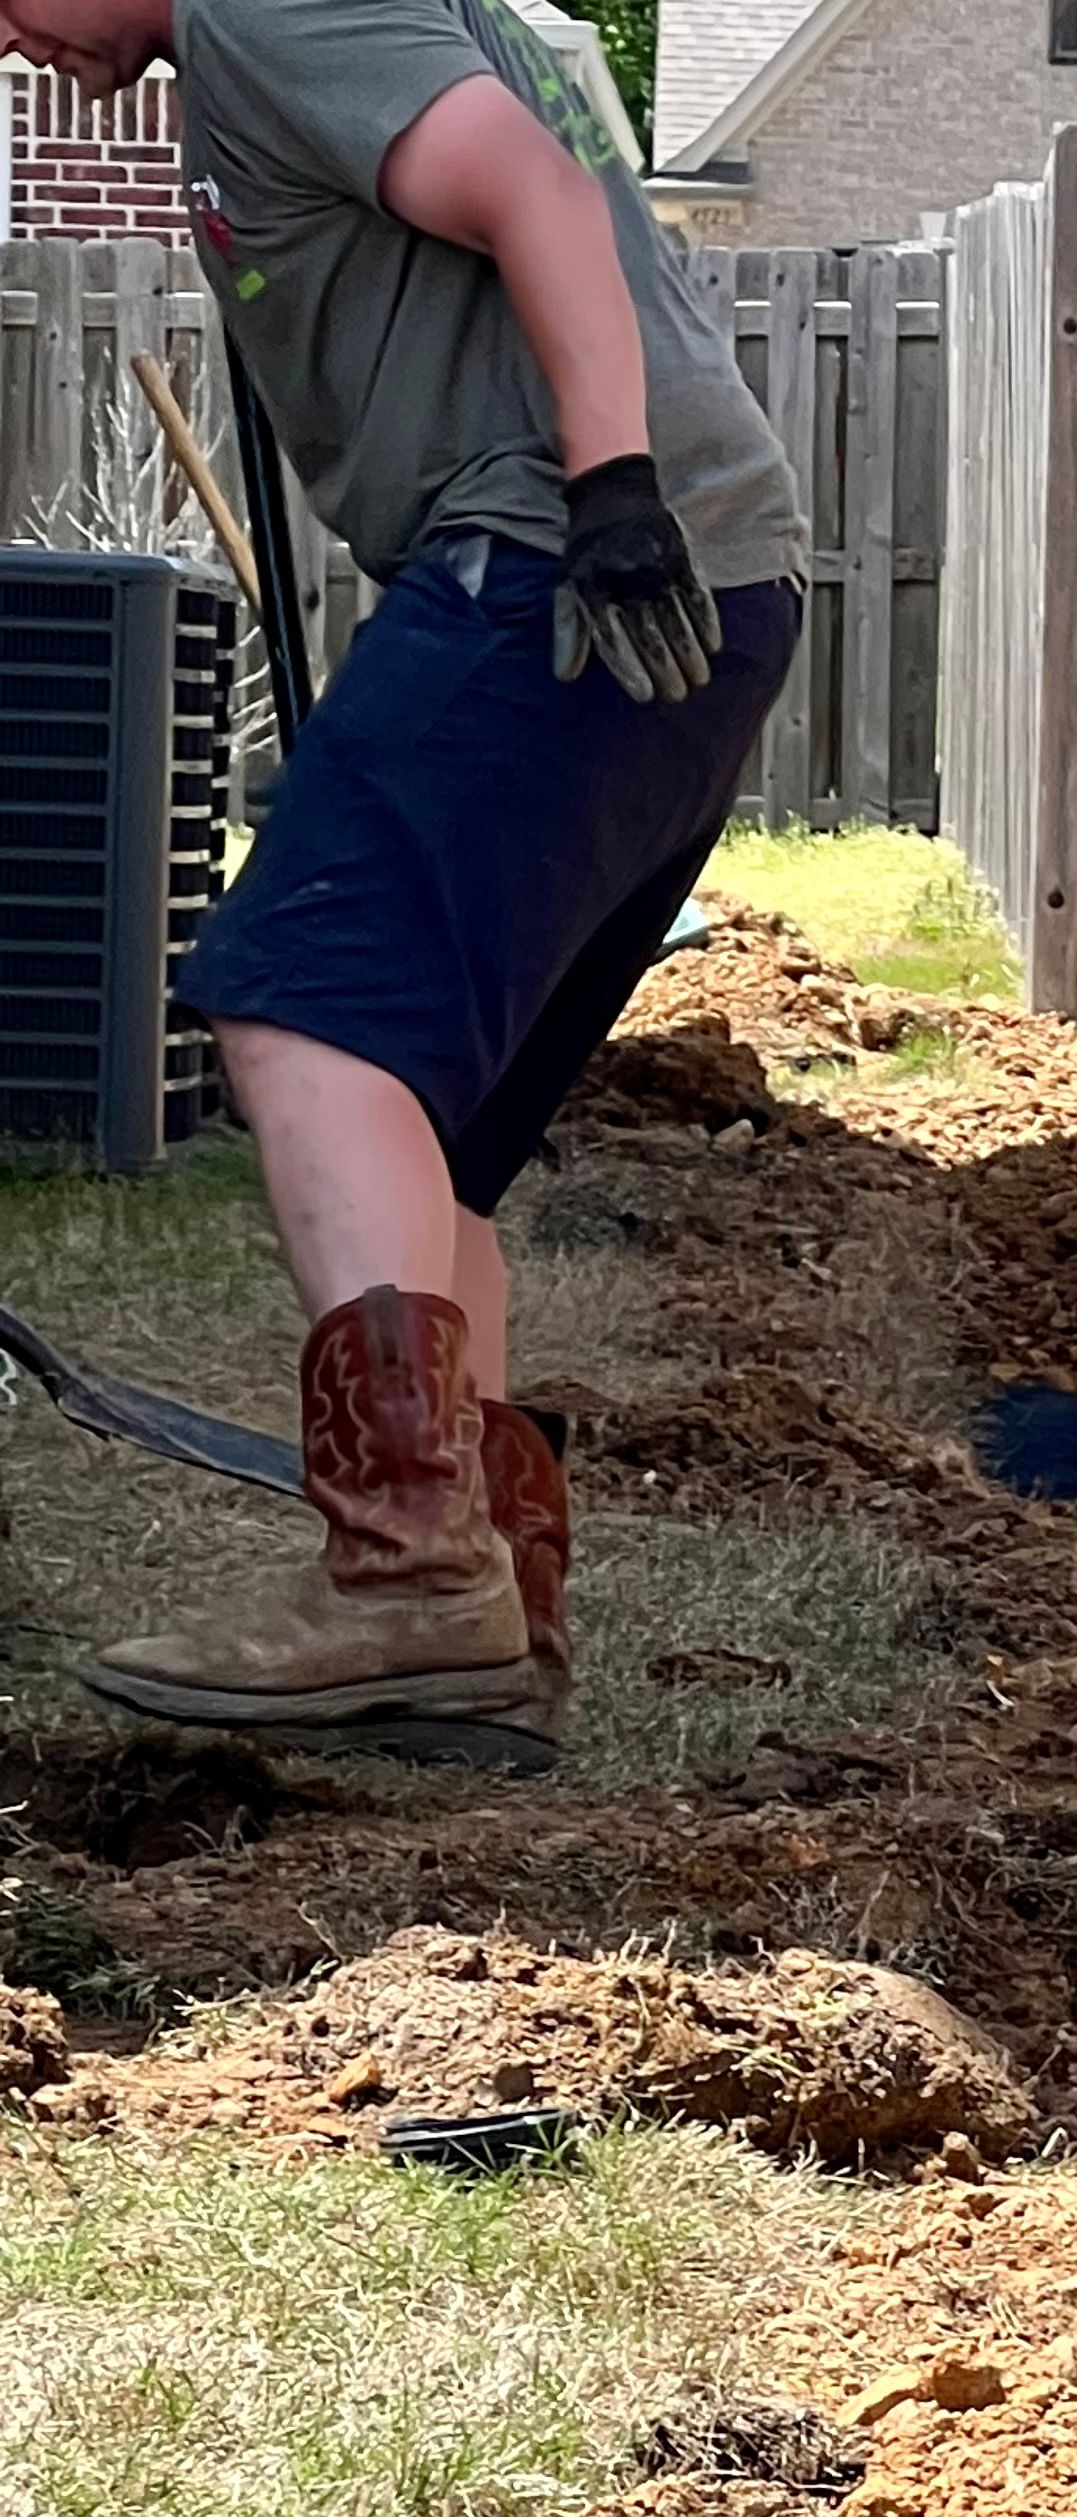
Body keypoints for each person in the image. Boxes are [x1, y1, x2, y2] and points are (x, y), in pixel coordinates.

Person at [0, 0, 805, 1766]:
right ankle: (493, 1611)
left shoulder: (264, 1)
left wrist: (604, 492)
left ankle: (405, 1570)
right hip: (679, 584)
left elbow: (526, 183)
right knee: (427, 1129)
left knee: (300, 1001)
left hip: (565, 565)